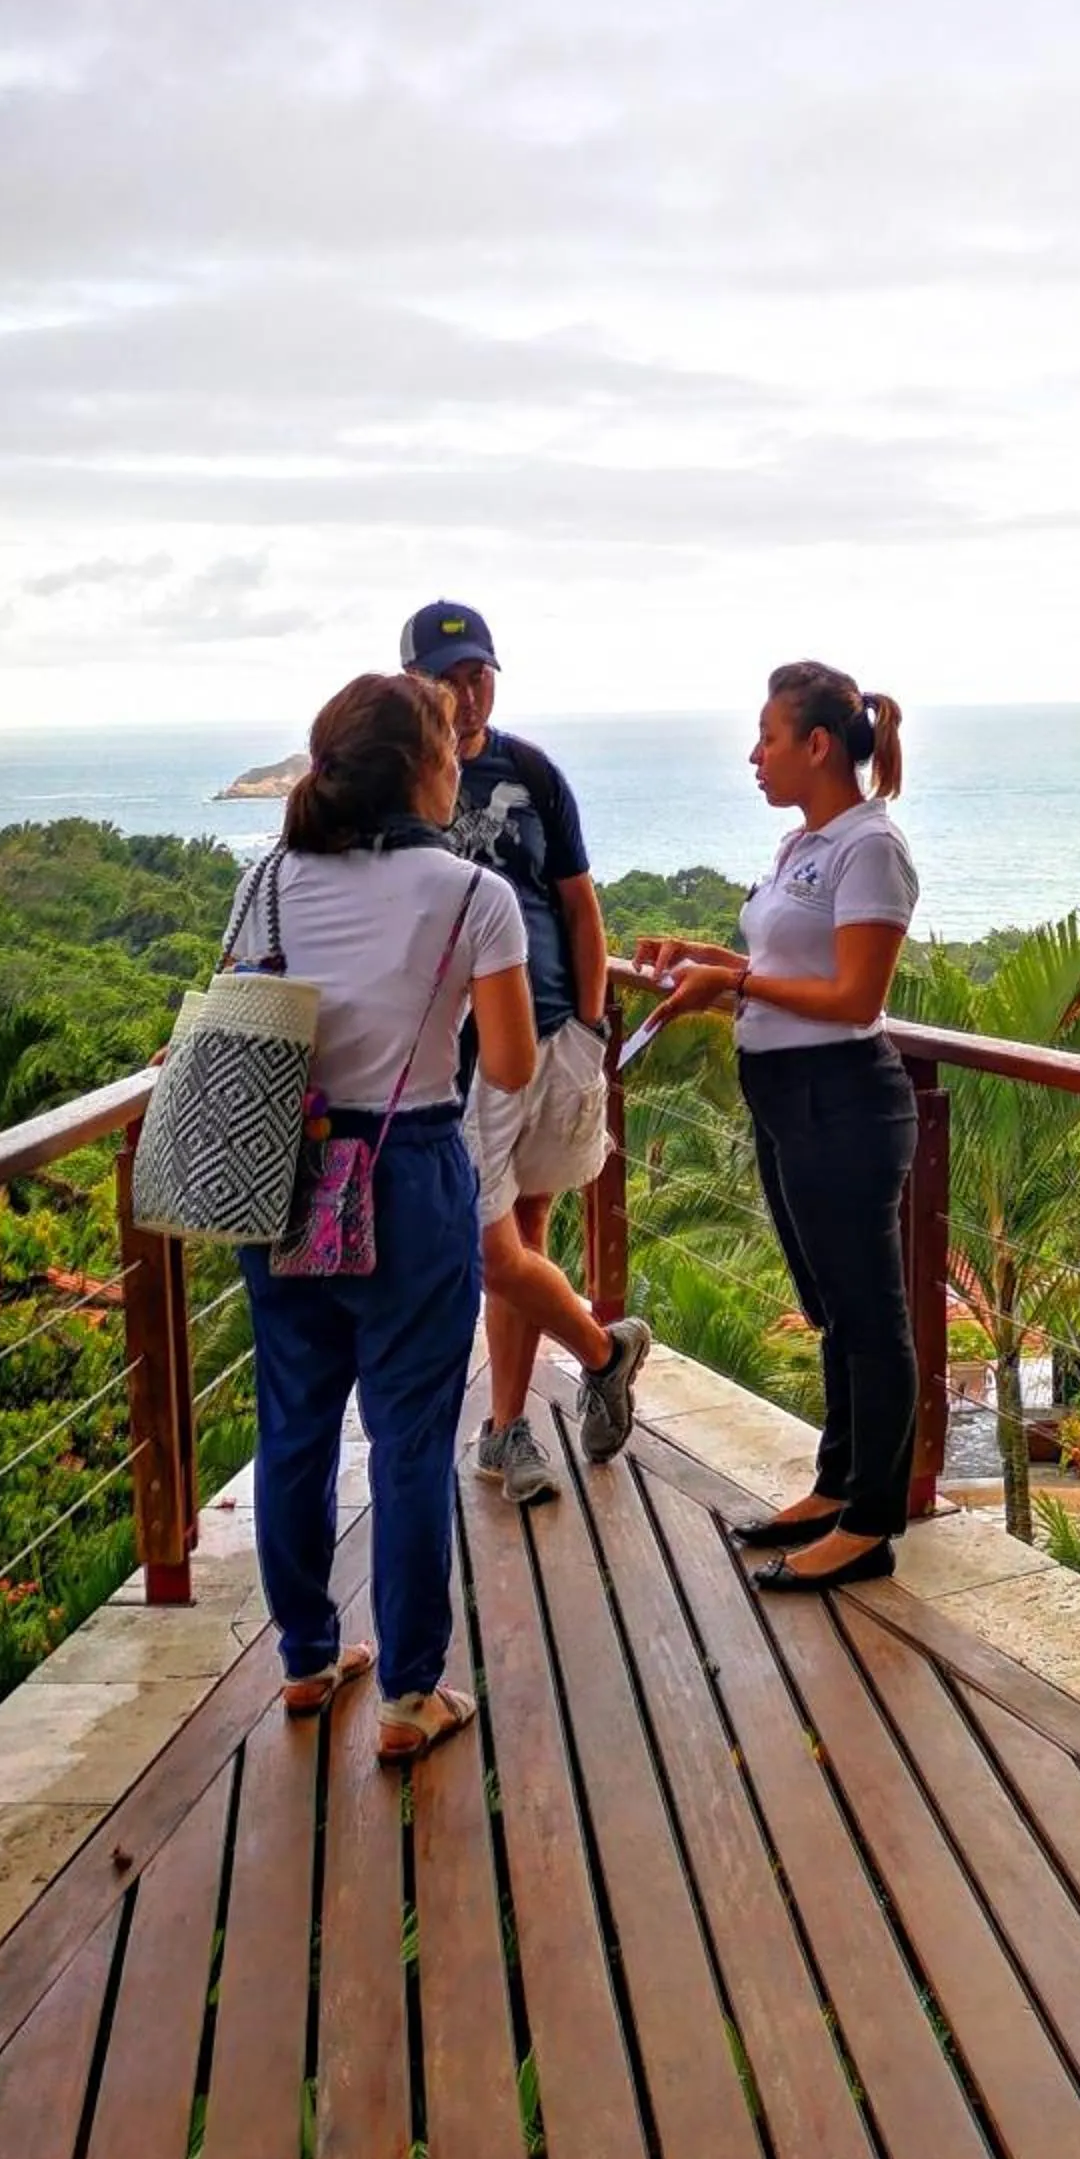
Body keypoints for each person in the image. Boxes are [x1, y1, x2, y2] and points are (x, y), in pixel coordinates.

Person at [239, 671, 533, 1763]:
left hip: (283, 1173)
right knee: (410, 1437)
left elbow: (246, 1024)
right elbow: (506, 1062)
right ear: (423, 769)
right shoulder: (471, 895)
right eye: (450, 748)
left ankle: (307, 1660)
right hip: (405, 1173)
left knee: (296, 1424)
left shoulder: (268, 879)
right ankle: (411, 1694)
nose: (462, 758)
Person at [636, 662, 921, 1593]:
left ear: (817, 745)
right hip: (788, 1097)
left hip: (842, 1097)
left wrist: (738, 984)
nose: (753, 755)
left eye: (766, 737)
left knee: (869, 1316)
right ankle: (836, 1485)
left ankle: (871, 1523)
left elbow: (853, 996)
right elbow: (780, 958)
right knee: (832, 1305)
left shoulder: (868, 847)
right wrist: (705, 961)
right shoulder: (806, 844)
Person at [398, 599, 649, 1495]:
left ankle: (506, 1429)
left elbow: (578, 904)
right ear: (413, 685)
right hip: (444, 1061)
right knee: (487, 1243)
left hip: (550, 1038)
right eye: (446, 679)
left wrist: (589, 1025)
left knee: (527, 1231)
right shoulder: (396, 779)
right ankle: (600, 1350)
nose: (467, 697)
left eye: (478, 676)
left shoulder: (531, 773)